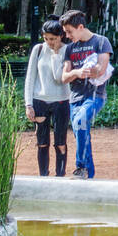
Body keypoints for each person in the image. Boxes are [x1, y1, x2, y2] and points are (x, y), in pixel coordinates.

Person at [59, 9, 113, 180]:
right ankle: (88, 174)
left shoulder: (101, 42)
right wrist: (77, 72)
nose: (67, 36)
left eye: (69, 31)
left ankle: (81, 167)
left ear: (80, 27)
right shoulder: (69, 49)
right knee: (81, 132)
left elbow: (101, 69)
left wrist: (89, 70)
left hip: (95, 96)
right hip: (74, 99)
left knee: (80, 121)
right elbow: (64, 77)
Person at [23, 20, 70, 177]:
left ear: (61, 36)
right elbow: (30, 77)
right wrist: (28, 104)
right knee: (42, 142)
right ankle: (43, 176)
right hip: (39, 100)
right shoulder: (38, 49)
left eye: (53, 39)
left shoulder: (67, 50)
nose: (49, 42)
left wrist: (56, 54)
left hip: (61, 101)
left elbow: (59, 78)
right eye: (46, 38)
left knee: (60, 142)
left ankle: (60, 175)